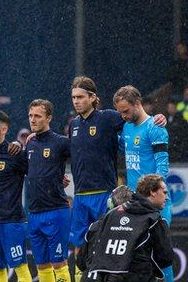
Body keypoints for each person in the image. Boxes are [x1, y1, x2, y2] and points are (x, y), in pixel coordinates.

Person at [67, 76, 166, 282]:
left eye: (80, 97)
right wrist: (35, 136)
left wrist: (159, 117)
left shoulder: (109, 118)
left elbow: (137, 118)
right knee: (79, 245)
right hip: (80, 195)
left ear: (93, 98)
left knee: (109, 244)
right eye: (73, 97)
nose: (76, 101)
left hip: (105, 193)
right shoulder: (73, 125)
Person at [113, 85, 174, 282]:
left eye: (126, 111)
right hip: (136, 205)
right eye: (120, 112)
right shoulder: (127, 127)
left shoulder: (155, 127)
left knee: (160, 257)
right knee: (138, 258)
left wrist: (151, 196)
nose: (123, 115)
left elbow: (162, 169)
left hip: (155, 203)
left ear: (137, 103)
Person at [77, 175, 174, 281]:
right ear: (152, 192)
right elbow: (165, 259)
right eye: (164, 192)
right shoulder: (154, 220)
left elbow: (81, 262)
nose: (167, 197)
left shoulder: (104, 220)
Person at [0, 110, 32, 282]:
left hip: (12, 221)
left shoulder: (14, 153)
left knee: (20, 267)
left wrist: (19, 143)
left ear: (4, 129)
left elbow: (36, 171)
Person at [25, 100, 72, 282]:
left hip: (56, 212)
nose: (33, 120)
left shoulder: (60, 142)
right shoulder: (29, 143)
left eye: (37, 116)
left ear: (49, 118)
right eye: (30, 116)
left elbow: (84, 156)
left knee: (59, 263)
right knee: (42, 266)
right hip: (34, 213)